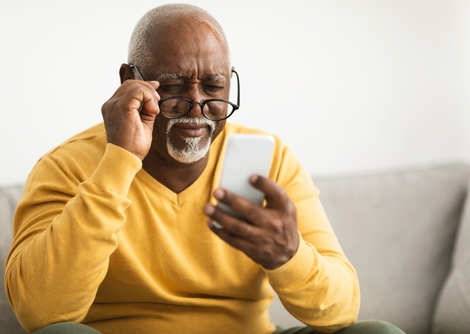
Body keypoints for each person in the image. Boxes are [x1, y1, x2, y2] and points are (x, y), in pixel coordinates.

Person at [5, 4, 404, 334]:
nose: (197, 107)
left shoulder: (272, 158)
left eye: (213, 87)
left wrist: (289, 254)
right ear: (130, 81)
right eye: (174, 87)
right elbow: (39, 312)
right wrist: (119, 161)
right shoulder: (66, 165)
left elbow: (343, 308)